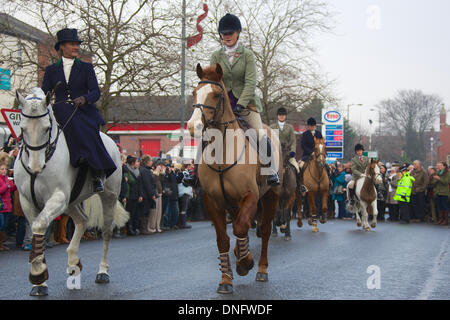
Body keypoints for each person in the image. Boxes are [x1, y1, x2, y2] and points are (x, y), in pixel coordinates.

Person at [184, 13, 280, 187]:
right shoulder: (216, 55)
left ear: (238, 33)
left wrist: (241, 103)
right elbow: (212, 80)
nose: (227, 36)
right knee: (206, 134)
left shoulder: (247, 55)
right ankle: (194, 173)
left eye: (230, 32)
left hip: (246, 105)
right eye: (224, 33)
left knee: (259, 133)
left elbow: (251, 82)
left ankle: (271, 170)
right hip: (221, 104)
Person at [41, 28, 116, 192]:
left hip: (81, 109)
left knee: (89, 129)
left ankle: (96, 172)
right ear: (62, 46)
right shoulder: (51, 70)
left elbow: (96, 92)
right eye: (72, 44)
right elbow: (44, 93)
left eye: (77, 44)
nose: (76, 47)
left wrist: (84, 99)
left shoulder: (86, 68)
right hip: (59, 109)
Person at [298, 117, 324, 193]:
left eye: (313, 126)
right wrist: (311, 152)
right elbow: (303, 145)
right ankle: (301, 184)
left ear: (315, 126)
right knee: (300, 167)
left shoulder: (319, 134)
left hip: (318, 155)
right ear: (308, 126)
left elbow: (321, 144)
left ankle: (328, 183)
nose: (312, 127)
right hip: (307, 155)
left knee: (326, 167)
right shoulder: (305, 134)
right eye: (310, 126)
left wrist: (318, 153)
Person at [270, 107, 299, 173]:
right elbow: (270, 140)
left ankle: (299, 183)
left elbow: (293, 140)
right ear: (277, 116)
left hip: (287, 153)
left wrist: (292, 151)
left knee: (297, 167)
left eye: (283, 115)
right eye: (280, 115)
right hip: (275, 152)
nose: (281, 116)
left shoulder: (290, 127)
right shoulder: (272, 127)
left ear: (285, 116)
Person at [138, 155, 157, 235]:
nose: (152, 162)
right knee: (145, 211)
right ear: (147, 162)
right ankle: (143, 229)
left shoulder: (145, 170)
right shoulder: (145, 171)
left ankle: (145, 228)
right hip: (145, 195)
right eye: (151, 160)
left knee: (146, 211)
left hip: (146, 194)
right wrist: (152, 194)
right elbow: (147, 184)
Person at [0, 163, 17, 251]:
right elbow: (1, 191)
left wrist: (16, 185)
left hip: (8, 205)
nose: (4, 171)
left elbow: (11, 189)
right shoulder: (3, 180)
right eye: (2, 169)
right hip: (1, 206)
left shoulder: (7, 179)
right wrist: (6, 185)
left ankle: (1, 244)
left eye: (5, 169)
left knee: (5, 226)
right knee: (1, 225)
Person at [125, 156, 142, 235]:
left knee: (135, 213)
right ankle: (129, 229)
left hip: (136, 194)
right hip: (130, 195)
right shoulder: (127, 171)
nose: (138, 163)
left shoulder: (137, 171)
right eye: (137, 162)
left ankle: (134, 228)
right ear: (132, 163)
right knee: (130, 213)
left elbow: (139, 184)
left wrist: (140, 195)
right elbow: (129, 182)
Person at [430, 161, 449, 226]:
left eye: (440, 165)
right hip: (438, 192)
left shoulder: (447, 173)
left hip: (444, 192)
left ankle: (446, 221)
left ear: (444, 166)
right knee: (439, 206)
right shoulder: (438, 172)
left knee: (444, 207)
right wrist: (435, 179)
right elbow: (433, 182)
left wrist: (439, 179)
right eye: (439, 165)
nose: (439, 166)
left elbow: (446, 182)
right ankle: (440, 219)